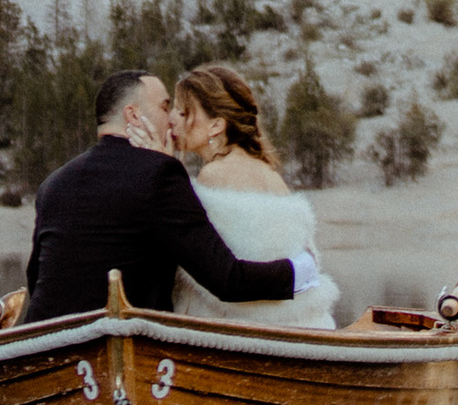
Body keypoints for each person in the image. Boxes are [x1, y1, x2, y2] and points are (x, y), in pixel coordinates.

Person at [23, 67, 327, 321]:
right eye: (166, 107)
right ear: (133, 115)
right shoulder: (159, 175)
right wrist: (303, 270)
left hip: (46, 347)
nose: (171, 120)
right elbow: (227, 281)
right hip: (124, 350)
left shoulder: (53, 183)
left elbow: (35, 279)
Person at [169, 61, 341, 329]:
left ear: (215, 125)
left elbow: (207, 268)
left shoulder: (213, 175)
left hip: (244, 335)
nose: (172, 120)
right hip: (304, 326)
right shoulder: (271, 175)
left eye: (182, 112)